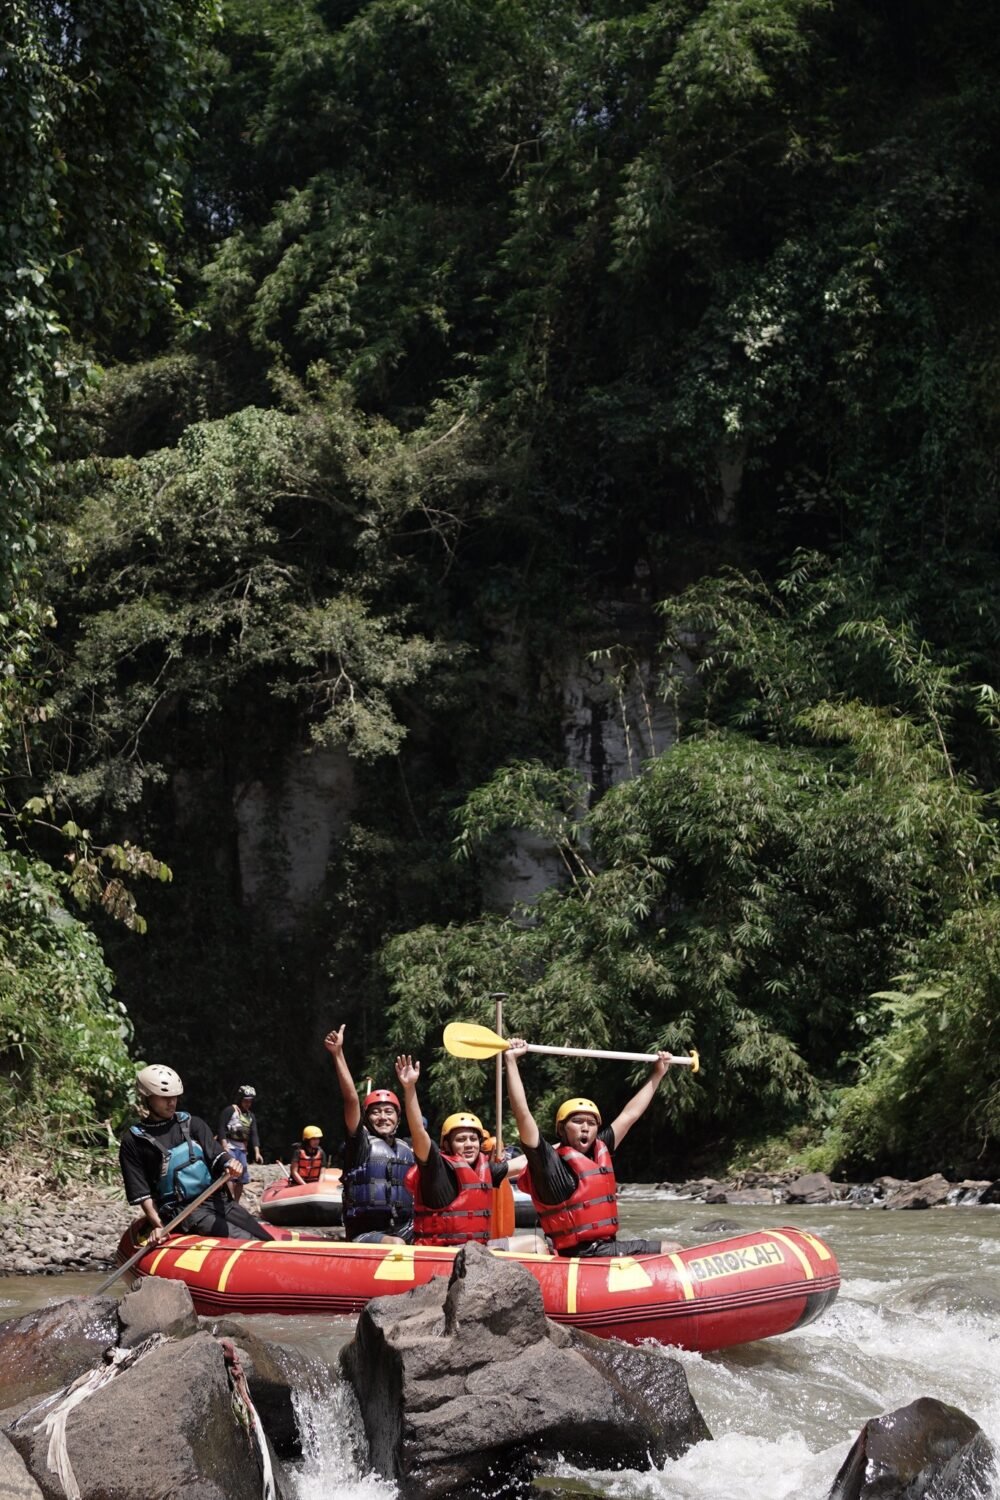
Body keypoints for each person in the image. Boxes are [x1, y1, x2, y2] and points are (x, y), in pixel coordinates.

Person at [504, 1038, 681, 1257]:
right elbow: (522, 1113)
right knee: (672, 1249)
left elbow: (630, 1115)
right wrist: (511, 1061)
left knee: (671, 1247)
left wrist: (658, 1074)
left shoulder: (600, 1149)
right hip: (582, 1253)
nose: (585, 1128)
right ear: (561, 1129)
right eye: (577, 1122)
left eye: (591, 1123)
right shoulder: (548, 1163)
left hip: (605, 1247)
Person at [119, 1065, 275, 1243]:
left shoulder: (193, 1124)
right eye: (164, 1098)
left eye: (174, 1097)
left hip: (217, 1200)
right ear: (147, 1097)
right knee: (243, 1239)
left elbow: (216, 1154)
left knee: (265, 1238)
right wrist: (159, 1225)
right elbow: (142, 1193)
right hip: (182, 1211)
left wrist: (230, 1163)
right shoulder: (134, 1141)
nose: (171, 1102)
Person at [394, 1053, 531, 1248]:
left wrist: (562, 1146)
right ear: (447, 1145)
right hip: (444, 1253)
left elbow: (527, 1160)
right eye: (461, 1139)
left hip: (478, 1252)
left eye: (473, 1139)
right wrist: (409, 1088)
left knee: (535, 1243)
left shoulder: (486, 1170)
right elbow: (418, 1132)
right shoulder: (437, 1168)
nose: (469, 1144)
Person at [324, 1025, 415, 1243]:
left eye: (388, 1111)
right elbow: (351, 1100)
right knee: (397, 1244)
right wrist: (338, 1054)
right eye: (375, 1112)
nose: (383, 1117)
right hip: (365, 1233)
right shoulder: (360, 1144)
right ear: (366, 1119)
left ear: (398, 1118)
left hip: (405, 1228)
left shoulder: (407, 1148)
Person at [218, 1085, 262, 1204]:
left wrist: (257, 1152)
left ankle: (236, 1203)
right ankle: (229, 1200)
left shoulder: (250, 1116)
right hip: (230, 1146)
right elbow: (221, 1128)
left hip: (241, 1148)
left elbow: (254, 1134)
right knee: (231, 1174)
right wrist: (224, 1146)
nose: (248, 1103)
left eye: (250, 1101)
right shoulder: (230, 1111)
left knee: (242, 1176)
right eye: (245, 1101)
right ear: (240, 1099)